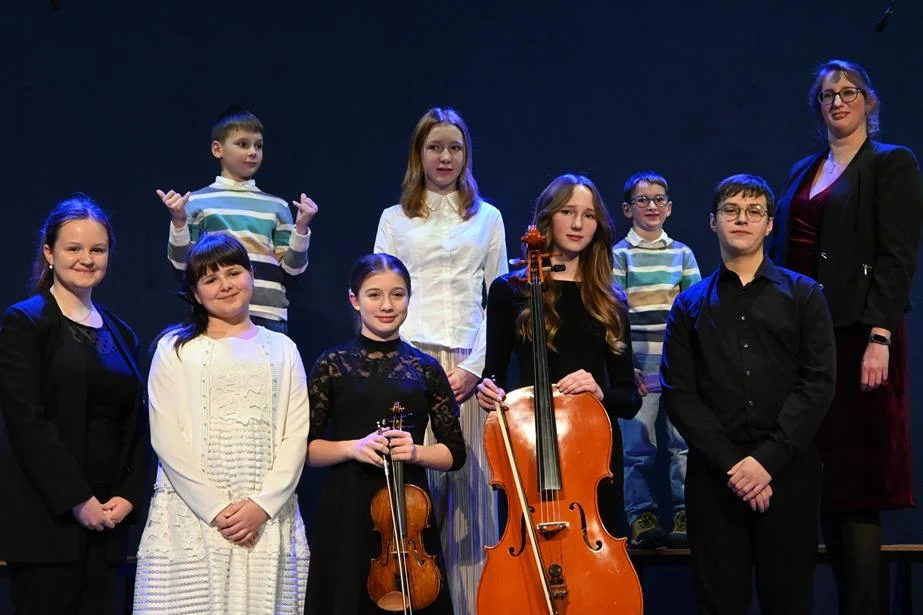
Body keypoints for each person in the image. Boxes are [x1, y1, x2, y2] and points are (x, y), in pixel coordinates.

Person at [767, 59, 923, 615]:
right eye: (828, 94)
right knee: (822, 481)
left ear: (868, 101)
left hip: (861, 337)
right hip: (806, 340)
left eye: (849, 91)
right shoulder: (802, 170)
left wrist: (881, 334)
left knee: (857, 484)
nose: (838, 101)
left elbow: (897, 256)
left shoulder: (890, 163)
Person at [662, 174, 836, 614]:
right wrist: (735, 465)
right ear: (712, 222)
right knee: (720, 603)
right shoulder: (688, 304)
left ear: (770, 225)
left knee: (789, 601)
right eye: (731, 211)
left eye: (754, 211)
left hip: (788, 473)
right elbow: (679, 393)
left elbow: (818, 383)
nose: (742, 219)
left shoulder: (805, 295)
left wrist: (765, 462)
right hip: (716, 477)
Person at [374, 106, 507, 613]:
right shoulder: (394, 218)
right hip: (410, 363)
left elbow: (499, 300)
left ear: (466, 154)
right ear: (420, 154)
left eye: (454, 147)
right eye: (435, 147)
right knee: (412, 503)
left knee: (471, 499)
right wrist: (402, 365)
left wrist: (474, 369)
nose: (445, 157)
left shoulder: (488, 217)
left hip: (467, 366)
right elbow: (380, 290)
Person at [133, 233, 310, 615]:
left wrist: (262, 505)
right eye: (210, 279)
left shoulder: (283, 349)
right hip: (194, 516)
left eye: (233, 272)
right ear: (196, 294)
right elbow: (166, 436)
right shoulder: (176, 349)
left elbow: (296, 435)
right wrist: (215, 508)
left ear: (251, 276)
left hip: (265, 517)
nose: (225, 285)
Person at [0, 195, 148, 614]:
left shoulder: (121, 331)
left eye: (97, 249)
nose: (87, 259)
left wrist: (128, 496)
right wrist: (77, 500)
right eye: (74, 248)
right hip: (48, 523)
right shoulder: (25, 322)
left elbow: (136, 425)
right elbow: (26, 421)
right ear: (49, 253)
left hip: (108, 524)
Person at [477, 173, 642, 534]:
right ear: (548, 217)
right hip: (529, 446)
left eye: (589, 215)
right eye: (568, 212)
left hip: (594, 452)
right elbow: (494, 373)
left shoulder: (610, 299)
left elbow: (629, 398)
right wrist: (487, 390)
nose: (578, 224)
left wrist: (599, 392)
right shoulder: (510, 291)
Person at [304, 252, 465, 615]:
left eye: (398, 294)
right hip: (347, 509)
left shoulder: (425, 368)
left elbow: (455, 453)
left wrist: (417, 452)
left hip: (409, 516)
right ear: (354, 300)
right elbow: (308, 450)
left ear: (409, 297)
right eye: (374, 295)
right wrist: (352, 447)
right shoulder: (331, 364)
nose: (387, 305)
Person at [158, 105, 319, 332]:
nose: (252, 152)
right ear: (218, 149)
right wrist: (178, 221)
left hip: (267, 313)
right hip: (216, 314)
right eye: (243, 144)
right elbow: (182, 265)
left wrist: (301, 230)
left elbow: (292, 272)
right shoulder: (197, 202)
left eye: (258, 146)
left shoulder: (277, 206)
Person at [613, 170, 701, 548]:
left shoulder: (682, 254)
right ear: (627, 209)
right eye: (642, 200)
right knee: (637, 447)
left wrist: (691, 360)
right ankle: (641, 515)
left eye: (658, 199)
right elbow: (614, 315)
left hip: (677, 365)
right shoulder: (619, 255)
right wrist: (624, 365)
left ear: (669, 207)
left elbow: (695, 310)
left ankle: (686, 511)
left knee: (684, 443)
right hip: (639, 367)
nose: (651, 206)